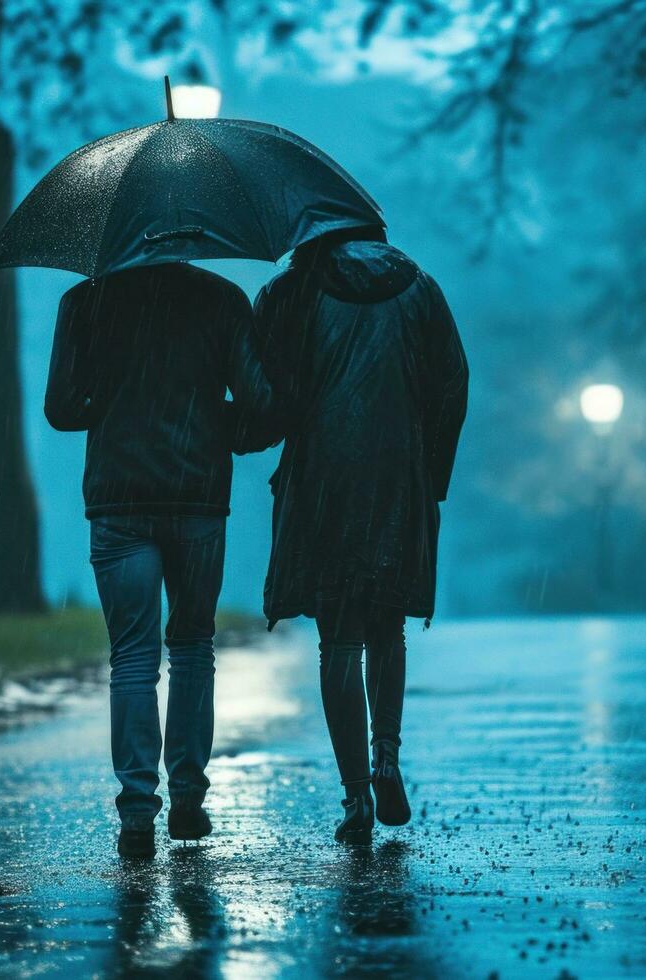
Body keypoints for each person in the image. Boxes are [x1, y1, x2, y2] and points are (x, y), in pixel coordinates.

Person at [44, 262, 274, 861]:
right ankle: (190, 800)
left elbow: (62, 409)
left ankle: (137, 813)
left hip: (118, 497)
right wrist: (211, 425)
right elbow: (263, 406)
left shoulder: (85, 302)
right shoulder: (223, 300)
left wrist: (119, 400)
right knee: (194, 645)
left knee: (132, 657)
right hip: (197, 496)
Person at [251, 225, 468, 845]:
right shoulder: (418, 287)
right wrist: (430, 472)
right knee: (386, 627)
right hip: (398, 475)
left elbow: (270, 391)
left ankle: (354, 796)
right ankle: (388, 757)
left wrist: (248, 434)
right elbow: (454, 379)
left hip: (323, 481)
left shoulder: (290, 294)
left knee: (338, 641)